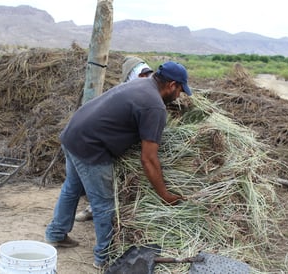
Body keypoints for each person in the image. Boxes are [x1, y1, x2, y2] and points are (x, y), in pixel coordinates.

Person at [45, 61, 192, 270]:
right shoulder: (155, 106)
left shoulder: (142, 83)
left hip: (73, 133)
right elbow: (148, 159)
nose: (179, 96)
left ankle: (56, 234)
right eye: (180, 90)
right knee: (104, 203)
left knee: (72, 187)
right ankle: (103, 257)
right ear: (172, 85)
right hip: (91, 147)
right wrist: (165, 195)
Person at [75, 56, 154, 222]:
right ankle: (93, 212)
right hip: (104, 146)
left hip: (129, 146)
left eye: (147, 73)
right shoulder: (122, 93)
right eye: (141, 74)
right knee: (101, 187)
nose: (145, 78)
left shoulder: (153, 92)